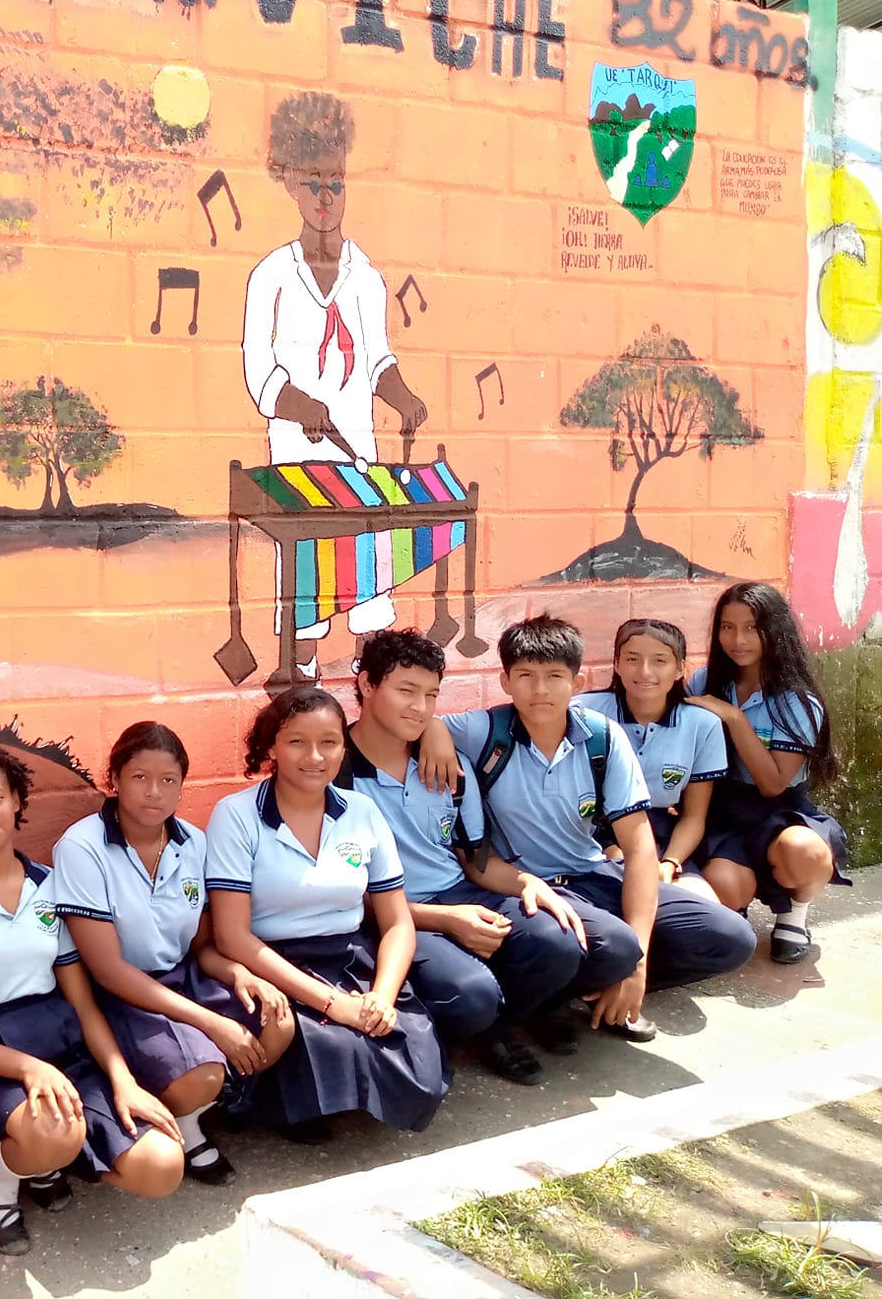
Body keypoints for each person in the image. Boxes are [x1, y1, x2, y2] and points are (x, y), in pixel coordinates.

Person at [422, 615, 756, 1048]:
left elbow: (640, 849)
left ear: (576, 683)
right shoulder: (485, 731)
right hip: (526, 887)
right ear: (505, 681)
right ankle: (545, 1001)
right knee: (610, 945)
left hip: (593, 873)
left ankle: (594, 993)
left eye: (554, 676)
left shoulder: (602, 737)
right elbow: (418, 722)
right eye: (525, 676)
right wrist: (434, 732)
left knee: (730, 938)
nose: (540, 690)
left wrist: (637, 968)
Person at [0, 744, 186, 1256]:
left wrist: (123, 1081)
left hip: (60, 1047)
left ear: (17, 801)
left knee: (163, 1167)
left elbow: (82, 1003)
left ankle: (47, 1160)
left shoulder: (49, 885)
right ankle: (3, 1179)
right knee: (54, 1130)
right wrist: (28, 1069)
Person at [346, 630, 625, 1086]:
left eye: (431, 695)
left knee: (573, 942)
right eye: (406, 691)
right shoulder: (333, 772)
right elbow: (340, 899)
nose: (420, 708)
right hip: (392, 915)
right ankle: (487, 1027)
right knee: (470, 994)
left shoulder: (447, 765)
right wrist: (446, 920)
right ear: (367, 685)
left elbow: (474, 860)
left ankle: (515, 1016)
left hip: (461, 892)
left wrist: (527, 883)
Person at [241, 90, 431, 671]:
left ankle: (368, 676)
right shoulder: (271, 276)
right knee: (308, 576)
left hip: (358, 453)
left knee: (367, 567)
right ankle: (300, 672)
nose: (326, 197)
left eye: (336, 184)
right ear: (292, 186)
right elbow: (258, 368)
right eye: (313, 184)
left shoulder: (365, 277)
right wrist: (299, 404)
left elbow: (376, 360)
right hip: (298, 456)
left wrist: (403, 397)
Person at [206, 687, 450, 1138]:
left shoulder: (362, 811)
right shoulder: (236, 816)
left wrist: (381, 996)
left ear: (343, 748)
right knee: (332, 1041)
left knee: (414, 1057)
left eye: (329, 742)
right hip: (273, 963)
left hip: (351, 958)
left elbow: (397, 921)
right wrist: (333, 1004)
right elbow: (232, 937)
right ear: (271, 748)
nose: (315, 757)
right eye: (297, 742)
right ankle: (288, 1103)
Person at [54, 722, 296, 1174]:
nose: (154, 792)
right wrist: (211, 1022)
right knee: (203, 1074)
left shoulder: (193, 843)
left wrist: (242, 975)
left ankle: (193, 1116)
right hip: (122, 993)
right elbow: (107, 970)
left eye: (168, 780)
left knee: (277, 1020)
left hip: (184, 977)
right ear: (115, 779)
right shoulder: (83, 847)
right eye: (139, 777)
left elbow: (202, 946)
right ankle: (187, 1117)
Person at [685, 582, 852, 963]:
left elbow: (773, 783)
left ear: (774, 630)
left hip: (779, 810)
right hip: (722, 809)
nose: (738, 640)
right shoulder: (704, 682)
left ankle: (795, 913)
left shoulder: (797, 700)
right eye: (728, 627)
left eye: (752, 628)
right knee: (724, 886)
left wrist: (734, 717)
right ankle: (735, 909)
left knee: (805, 852)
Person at [574, 619, 725, 900]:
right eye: (632, 659)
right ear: (616, 664)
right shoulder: (583, 713)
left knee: (705, 907)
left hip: (660, 836)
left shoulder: (702, 724)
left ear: (680, 668)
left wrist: (670, 863)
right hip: (591, 831)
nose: (645, 671)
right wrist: (613, 851)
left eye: (659, 661)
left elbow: (693, 817)